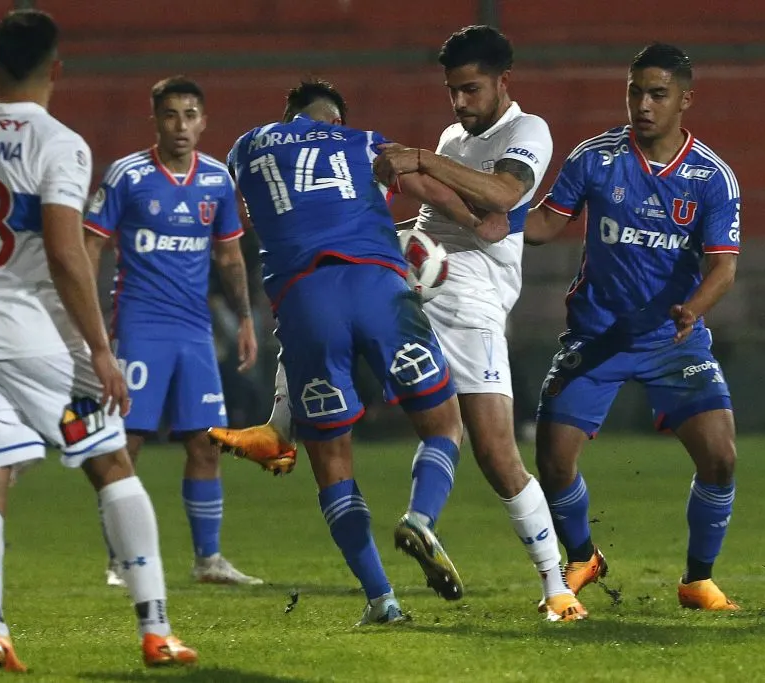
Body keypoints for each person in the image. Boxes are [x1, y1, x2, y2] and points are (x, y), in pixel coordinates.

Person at [214, 26, 587, 621]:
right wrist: (400, 234)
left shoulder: (527, 131)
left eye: (470, 90)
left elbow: (501, 195)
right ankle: (294, 436)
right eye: (452, 91)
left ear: (502, 82)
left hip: (471, 301)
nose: (459, 103)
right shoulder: (449, 137)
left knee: (494, 452)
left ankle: (555, 585)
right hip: (413, 285)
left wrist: (424, 162)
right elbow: (434, 206)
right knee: (332, 319)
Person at [0, 10, 198, 671]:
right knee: (111, 464)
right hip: (41, 342)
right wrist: (99, 348)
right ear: (57, 68)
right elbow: (66, 253)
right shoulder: (59, 142)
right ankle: (156, 631)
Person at [226, 79, 504, 624]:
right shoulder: (363, 141)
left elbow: (272, 207)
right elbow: (427, 186)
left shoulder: (248, 145)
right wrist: (476, 221)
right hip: (379, 289)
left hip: (304, 303)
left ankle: (382, 600)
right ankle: (420, 519)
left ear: (288, 115)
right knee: (444, 425)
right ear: (335, 121)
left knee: (331, 462)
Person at [523, 43, 741, 610]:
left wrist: (693, 308)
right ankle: (583, 557)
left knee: (720, 457)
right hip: (597, 336)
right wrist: (489, 216)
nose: (643, 105)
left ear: (685, 100)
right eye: (635, 92)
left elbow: (723, 267)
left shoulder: (711, 176)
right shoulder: (595, 158)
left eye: (658, 94)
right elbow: (544, 225)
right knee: (553, 461)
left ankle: (697, 580)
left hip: (673, 340)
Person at [83, 77, 263, 588]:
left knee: (207, 444)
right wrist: (91, 322)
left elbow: (229, 255)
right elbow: (90, 245)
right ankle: (120, 560)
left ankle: (209, 560)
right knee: (127, 444)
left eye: (189, 115)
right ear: (155, 121)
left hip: (194, 332)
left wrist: (245, 318)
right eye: (170, 115)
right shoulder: (128, 175)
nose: (180, 125)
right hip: (138, 327)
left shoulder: (217, 179)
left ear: (203, 121)